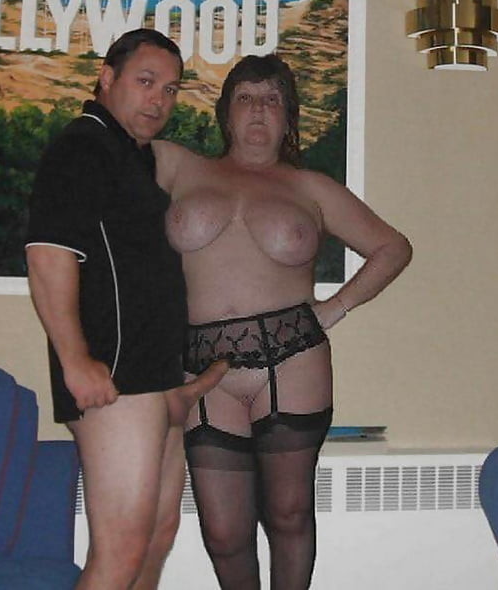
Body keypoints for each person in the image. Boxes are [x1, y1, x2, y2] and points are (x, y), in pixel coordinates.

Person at [153, 53, 412, 589]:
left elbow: (392, 248)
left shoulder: (311, 188)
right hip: (203, 369)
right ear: (226, 112)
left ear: (288, 116)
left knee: (289, 516)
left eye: (272, 100)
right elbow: (108, 155)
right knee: (223, 533)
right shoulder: (178, 166)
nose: (258, 110)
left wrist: (335, 307)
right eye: (246, 97)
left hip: (292, 361)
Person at [26, 28, 226, 589]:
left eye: (170, 89)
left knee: (157, 536)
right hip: (111, 375)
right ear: (107, 78)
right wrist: (75, 361)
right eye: (145, 81)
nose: (158, 99)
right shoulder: (83, 146)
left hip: (152, 376)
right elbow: (48, 255)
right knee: (120, 550)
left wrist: (176, 376)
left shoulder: (131, 157)